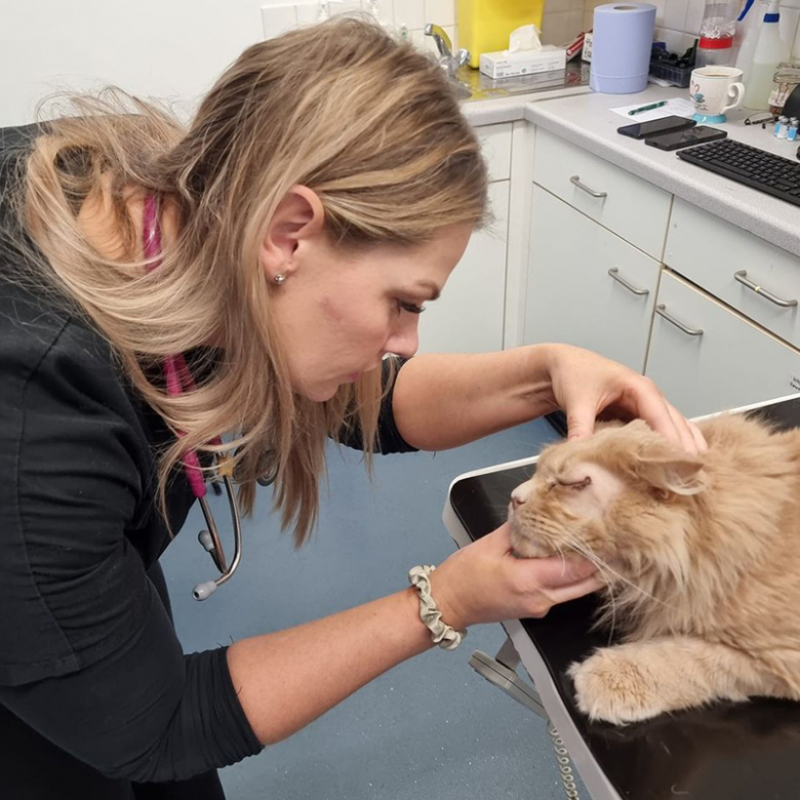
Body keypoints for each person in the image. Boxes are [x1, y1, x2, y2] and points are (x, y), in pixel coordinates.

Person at [0, 17, 705, 800]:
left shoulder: (193, 215)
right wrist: (444, 601)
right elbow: (156, 723)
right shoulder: (34, 409)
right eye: (402, 303)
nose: (404, 343)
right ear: (290, 232)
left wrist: (546, 373)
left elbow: (358, 402)